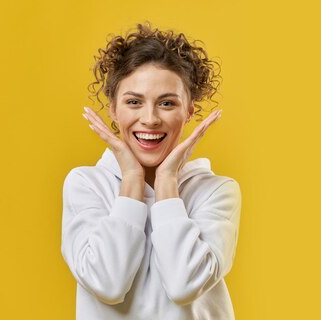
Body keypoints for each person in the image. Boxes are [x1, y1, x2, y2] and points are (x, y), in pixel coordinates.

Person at [60, 22, 242, 320]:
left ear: (190, 111)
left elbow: (184, 285)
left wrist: (167, 181)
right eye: (134, 102)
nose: (150, 119)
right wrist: (131, 179)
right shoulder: (86, 184)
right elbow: (107, 284)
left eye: (167, 103)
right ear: (113, 110)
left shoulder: (216, 191)